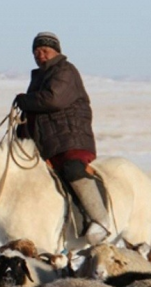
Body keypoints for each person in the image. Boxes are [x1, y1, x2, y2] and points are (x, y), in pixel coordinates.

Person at [15, 31, 110, 245]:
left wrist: (25, 100)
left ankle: (100, 220)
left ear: (56, 51)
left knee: (72, 169)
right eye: (36, 52)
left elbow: (53, 100)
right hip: (49, 143)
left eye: (44, 50)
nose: (40, 55)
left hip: (71, 138)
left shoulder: (65, 70)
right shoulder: (39, 78)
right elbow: (36, 111)